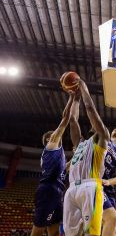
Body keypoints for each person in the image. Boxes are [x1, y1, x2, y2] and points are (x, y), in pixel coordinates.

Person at [63, 79, 110, 236]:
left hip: (90, 187)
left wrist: (83, 88)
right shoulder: (80, 144)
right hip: (71, 189)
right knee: (71, 234)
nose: (92, 124)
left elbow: (89, 108)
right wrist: (74, 99)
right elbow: (72, 120)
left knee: (91, 233)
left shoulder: (102, 137)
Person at [31, 94, 73, 236]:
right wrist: (72, 98)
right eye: (55, 134)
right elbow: (64, 120)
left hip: (58, 191)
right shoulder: (51, 145)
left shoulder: (59, 154)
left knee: (54, 232)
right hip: (48, 189)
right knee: (38, 229)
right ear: (50, 138)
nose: (58, 135)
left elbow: (65, 168)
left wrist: (78, 154)